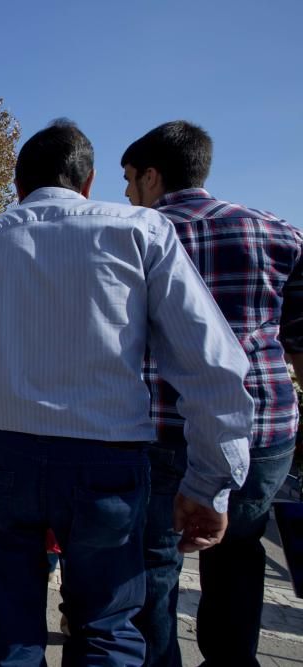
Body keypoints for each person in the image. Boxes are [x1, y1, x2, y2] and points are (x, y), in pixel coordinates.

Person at [0, 119, 254, 665]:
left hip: (2, 456)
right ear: (88, 182)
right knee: (105, 627)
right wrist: (210, 480)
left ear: (18, 187)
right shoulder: (141, 232)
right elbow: (213, 364)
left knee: (11, 629)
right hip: (106, 461)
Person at [122, 120, 303, 667]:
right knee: (238, 552)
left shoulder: (130, 237)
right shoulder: (278, 232)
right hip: (261, 430)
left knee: (152, 561)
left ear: (153, 176)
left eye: (130, 179)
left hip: (155, 427)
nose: (127, 193)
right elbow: (299, 342)